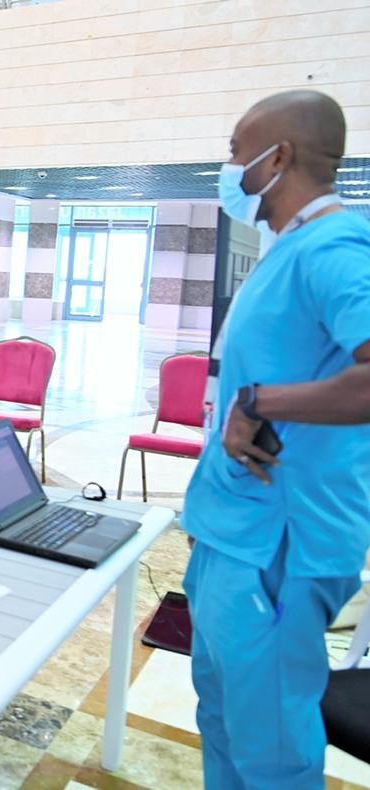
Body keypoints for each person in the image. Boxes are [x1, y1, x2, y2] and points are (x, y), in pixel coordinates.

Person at [183, 89, 370, 790]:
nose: (229, 168)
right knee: (223, 717)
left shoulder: (336, 247)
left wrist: (261, 402)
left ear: (278, 157)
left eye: (236, 151)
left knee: (272, 750)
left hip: (280, 546)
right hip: (234, 533)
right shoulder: (288, 249)